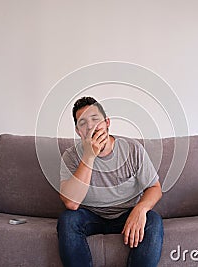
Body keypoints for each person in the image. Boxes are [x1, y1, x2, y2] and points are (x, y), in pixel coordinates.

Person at [57, 96, 164, 267]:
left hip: (126, 214)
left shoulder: (132, 149)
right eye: (83, 123)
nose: (91, 126)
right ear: (78, 132)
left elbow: (155, 188)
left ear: (107, 122)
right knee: (68, 219)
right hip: (90, 216)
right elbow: (71, 203)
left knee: (153, 220)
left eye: (95, 119)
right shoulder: (70, 156)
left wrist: (140, 209)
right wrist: (89, 156)